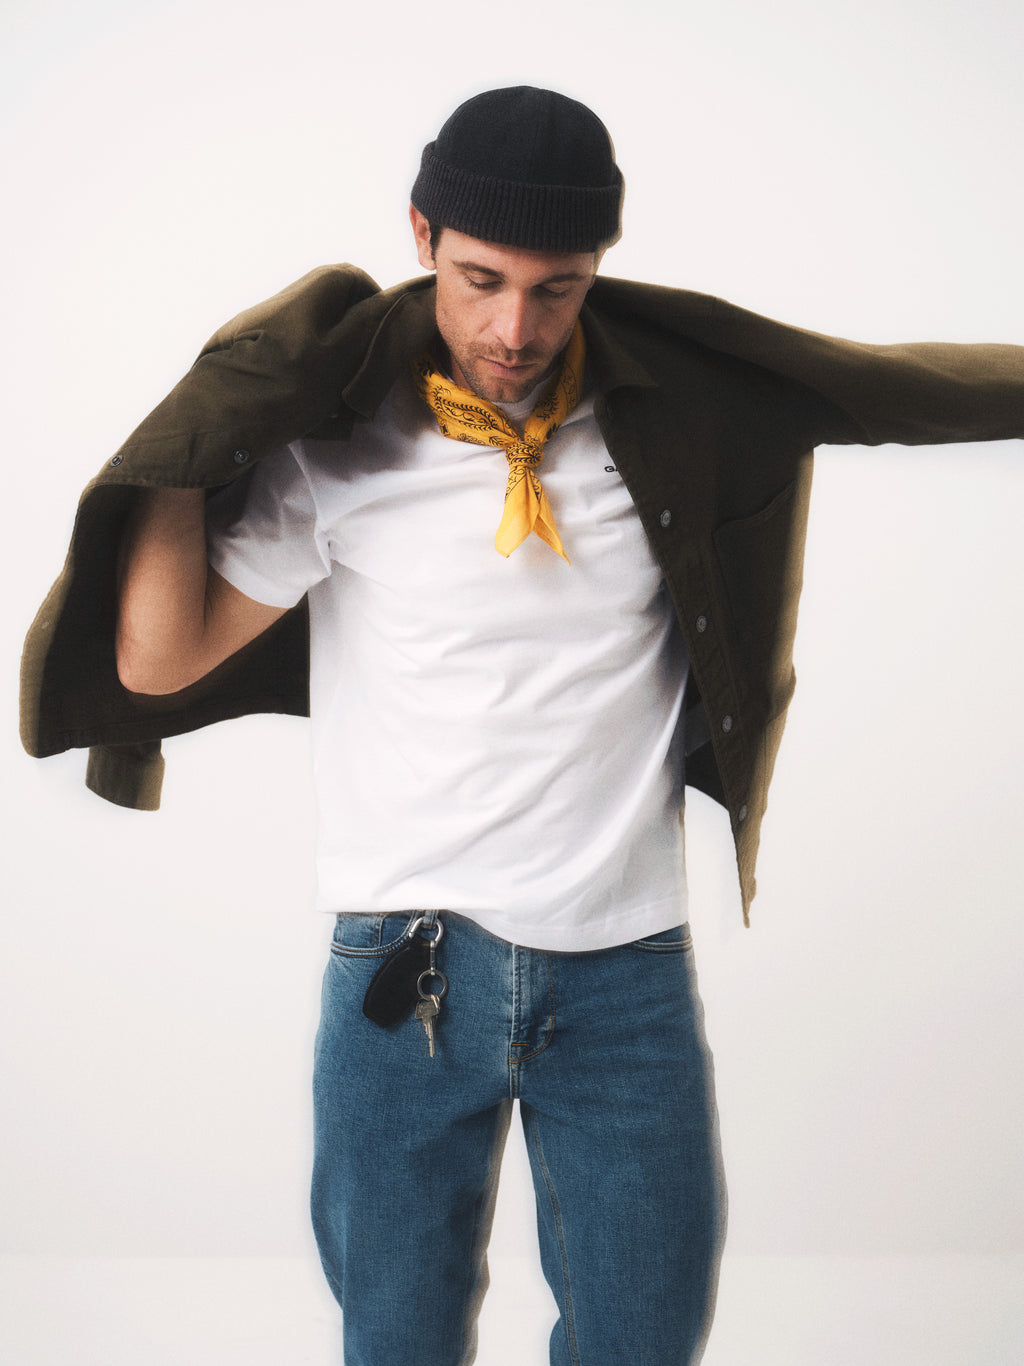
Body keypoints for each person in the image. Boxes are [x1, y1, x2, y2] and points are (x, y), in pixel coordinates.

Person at [20, 86, 1024, 1364]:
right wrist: (196, 427)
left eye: (556, 289)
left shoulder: (676, 410)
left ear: (598, 266)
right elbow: (157, 660)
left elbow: (885, 388)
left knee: (643, 1338)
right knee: (397, 1339)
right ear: (421, 235)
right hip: (403, 977)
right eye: (480, 278)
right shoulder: (341, 445)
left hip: (624, 980)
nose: (513, 327)